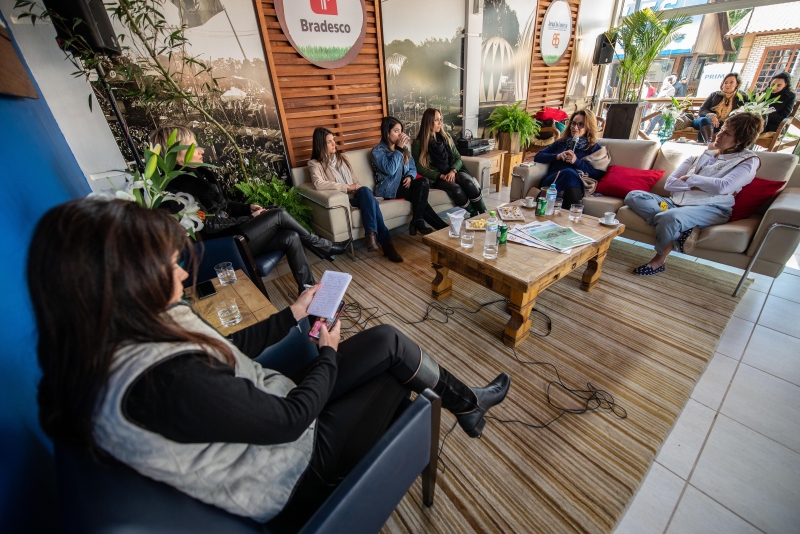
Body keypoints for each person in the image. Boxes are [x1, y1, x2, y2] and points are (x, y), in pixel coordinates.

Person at [28, 198, 512, 525]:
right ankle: (455, 410)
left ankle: (466, 404)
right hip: (291, 469)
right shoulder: (160, 382)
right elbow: (290, 421)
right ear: (121, 280)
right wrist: (327, 354)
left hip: (268, 409)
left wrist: (293, 314)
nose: (180, 268)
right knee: (396, 371)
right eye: (164, 262)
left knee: (388, 340)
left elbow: (224, 343)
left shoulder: (126, 327)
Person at [149, 126, 350, 295]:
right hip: (225, 243)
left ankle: (307, 289)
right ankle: (324, 246)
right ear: (177, 153)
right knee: (278, 214)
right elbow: (208, 225)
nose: (201, 149)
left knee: (290, 235)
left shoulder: (199, 175)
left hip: (236, 233)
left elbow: (225, 204)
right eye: (194, 145)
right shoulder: (175, 189)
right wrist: (249, 217)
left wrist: (248, 208)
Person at [624, 112, 763, 276]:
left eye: (726, 133)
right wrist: (700, 185)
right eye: (722, 129)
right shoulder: (703, 154)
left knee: (671, 218)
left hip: (710, 208)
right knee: (634, 196)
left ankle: (658, 261)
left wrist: (691, 179)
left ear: (739, 140)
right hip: (674, 203)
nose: (719, 135)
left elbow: (723, 187)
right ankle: (682, 232)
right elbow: (670, 184)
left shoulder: (748, 161)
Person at [307, 127, 403, 263]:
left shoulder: (343, 158)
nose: (334, 144)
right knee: (372, 202)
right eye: (329, 142)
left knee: (364, 191)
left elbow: (355, 181)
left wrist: (355, 187)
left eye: (333, 140)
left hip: (357, 195)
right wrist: (347, 187)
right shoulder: (314, 164)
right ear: (320, 144)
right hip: (345, 200)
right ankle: (386, 244)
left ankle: (371, 236)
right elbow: (319, 183)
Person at [371, 117, 448, 236]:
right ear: (387, 132)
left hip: (404, 183)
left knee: (423, 181)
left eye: (400, 131)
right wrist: (398, 149)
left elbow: (412, 167)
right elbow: (390, 170)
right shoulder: (377, 151)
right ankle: (441, 227)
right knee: (417, 196)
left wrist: (410, 177)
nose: (400, 134)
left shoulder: (404, 148)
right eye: (396, 131)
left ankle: (417, 220)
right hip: (388, 187)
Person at [412, 108, 487, 216]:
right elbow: (419, 167)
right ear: (428, 121)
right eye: (436, 120)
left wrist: (453, 171)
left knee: (468, 183)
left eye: (441, 119)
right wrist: (441, 176)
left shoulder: (446, 137)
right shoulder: (418, 143)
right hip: (438, 177)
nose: (440, 123)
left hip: (454, 170)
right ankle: (474, 214)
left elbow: (458, 157)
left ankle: (484, 212)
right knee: (456, 189)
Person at [532, 109, 607, 209]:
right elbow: (538, 156)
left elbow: (598, 173)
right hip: (553, 179)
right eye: (573, 123)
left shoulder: (593, 147)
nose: (575, 128)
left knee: (570, 174)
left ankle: (544, 200)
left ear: (588, 127)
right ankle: (577, 213)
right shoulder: (561, 142)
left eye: (581, 124)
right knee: (568, 172)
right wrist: (557, 156)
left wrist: (576, 162)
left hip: (576, 182)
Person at [692, 73, 745, 144]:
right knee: (705, 120)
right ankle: (708, 144)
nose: (727, 85)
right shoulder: (714, 95)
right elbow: (702, 110)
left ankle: (707, 146)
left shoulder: (741, 97)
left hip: (722, 125)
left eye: (731, 82)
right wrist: (712, 116)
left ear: (737, 84)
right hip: (704, 121)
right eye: (725, 82)